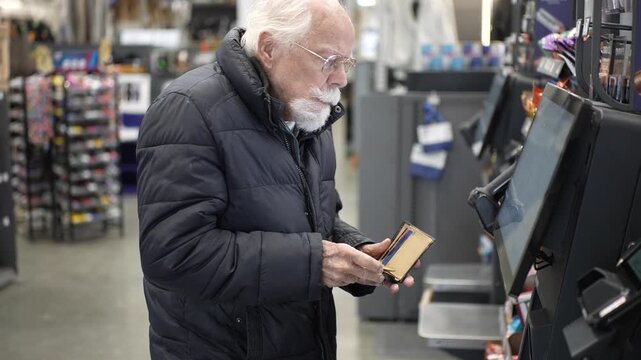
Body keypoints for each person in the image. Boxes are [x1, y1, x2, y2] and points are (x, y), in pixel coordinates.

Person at [137, 0, 416, 359]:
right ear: (270, 48)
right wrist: (315, 262)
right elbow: (173, 253)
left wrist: (356, 253)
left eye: (347, 62)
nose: (341, 79)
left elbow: (316, 218)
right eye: (329, 60)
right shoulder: (188, 110)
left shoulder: (309, 114)